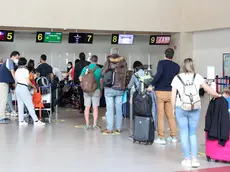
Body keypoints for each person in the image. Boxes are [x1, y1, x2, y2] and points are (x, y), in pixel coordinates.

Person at [171, 58, 220, 168]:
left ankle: (187, 159)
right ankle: (194, 159)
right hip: (195, 108)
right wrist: (218, 95)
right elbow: (208, 89)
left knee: (184, 133)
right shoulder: (197, 77)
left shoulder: (177, 78)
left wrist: (172, 109)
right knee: (192, 133)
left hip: (181, 107)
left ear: (183, 66)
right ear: (192, 65)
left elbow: (173, 95)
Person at [147, 48, 180, 145]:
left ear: (165, 54)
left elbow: (159, 74)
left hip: (160, 92)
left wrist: (151, 84)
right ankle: (173, 136)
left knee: (160, 115)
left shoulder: (161, 63)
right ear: (172, 56)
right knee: (170, 115)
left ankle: (161, 138)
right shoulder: (176, 66)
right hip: (171, 92)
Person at [101, 47, 128, 134]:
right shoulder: (124, 62)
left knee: (110, 108)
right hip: (120, 88)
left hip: (109, 88)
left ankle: (109, 128)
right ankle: (118, 128)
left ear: (111, 53)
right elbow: (127, 74)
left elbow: (102, 72)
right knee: (119, 108)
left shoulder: (108, 61)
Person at [15, 57, 45, 126]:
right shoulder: (25, 71)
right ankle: (36, 121)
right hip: (23, 88)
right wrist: (34, 86)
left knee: (20, 105)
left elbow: (16, 81)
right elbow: (28, 82)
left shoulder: (17, 70)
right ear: (25, 63)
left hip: (18, 88)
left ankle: (21, 121)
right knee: (30, 105)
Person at [79, 55, 102, 130]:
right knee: (95, 107)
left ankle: (87, 124)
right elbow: (101, 81)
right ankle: (95, 124)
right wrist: (101, 89)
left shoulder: (85, 68)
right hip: (96, 89)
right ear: (97, 61)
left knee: (87, 107)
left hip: (86, 90)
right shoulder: (99, 69)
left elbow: (80, 78)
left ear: (90, 60)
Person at [0, 51, 20, 123]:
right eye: (17, 57)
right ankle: (1, 117)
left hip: (3, 82)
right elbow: (12, 72)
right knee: (3, 100)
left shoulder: (9, 62)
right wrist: (16, 81)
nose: (18, 59)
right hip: (3, 82)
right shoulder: (10, 60)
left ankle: (2, 115)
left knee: (3, 99)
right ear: (13, 56)